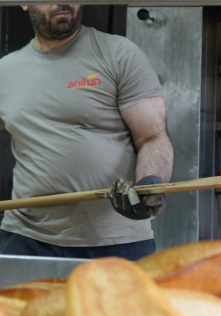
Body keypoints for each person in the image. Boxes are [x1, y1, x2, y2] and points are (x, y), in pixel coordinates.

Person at [0, 4, 173, 260]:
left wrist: (150, 184)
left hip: (116, 239)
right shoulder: (5, 71)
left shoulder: (119, 53)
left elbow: (152, 137)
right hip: (27, 236)